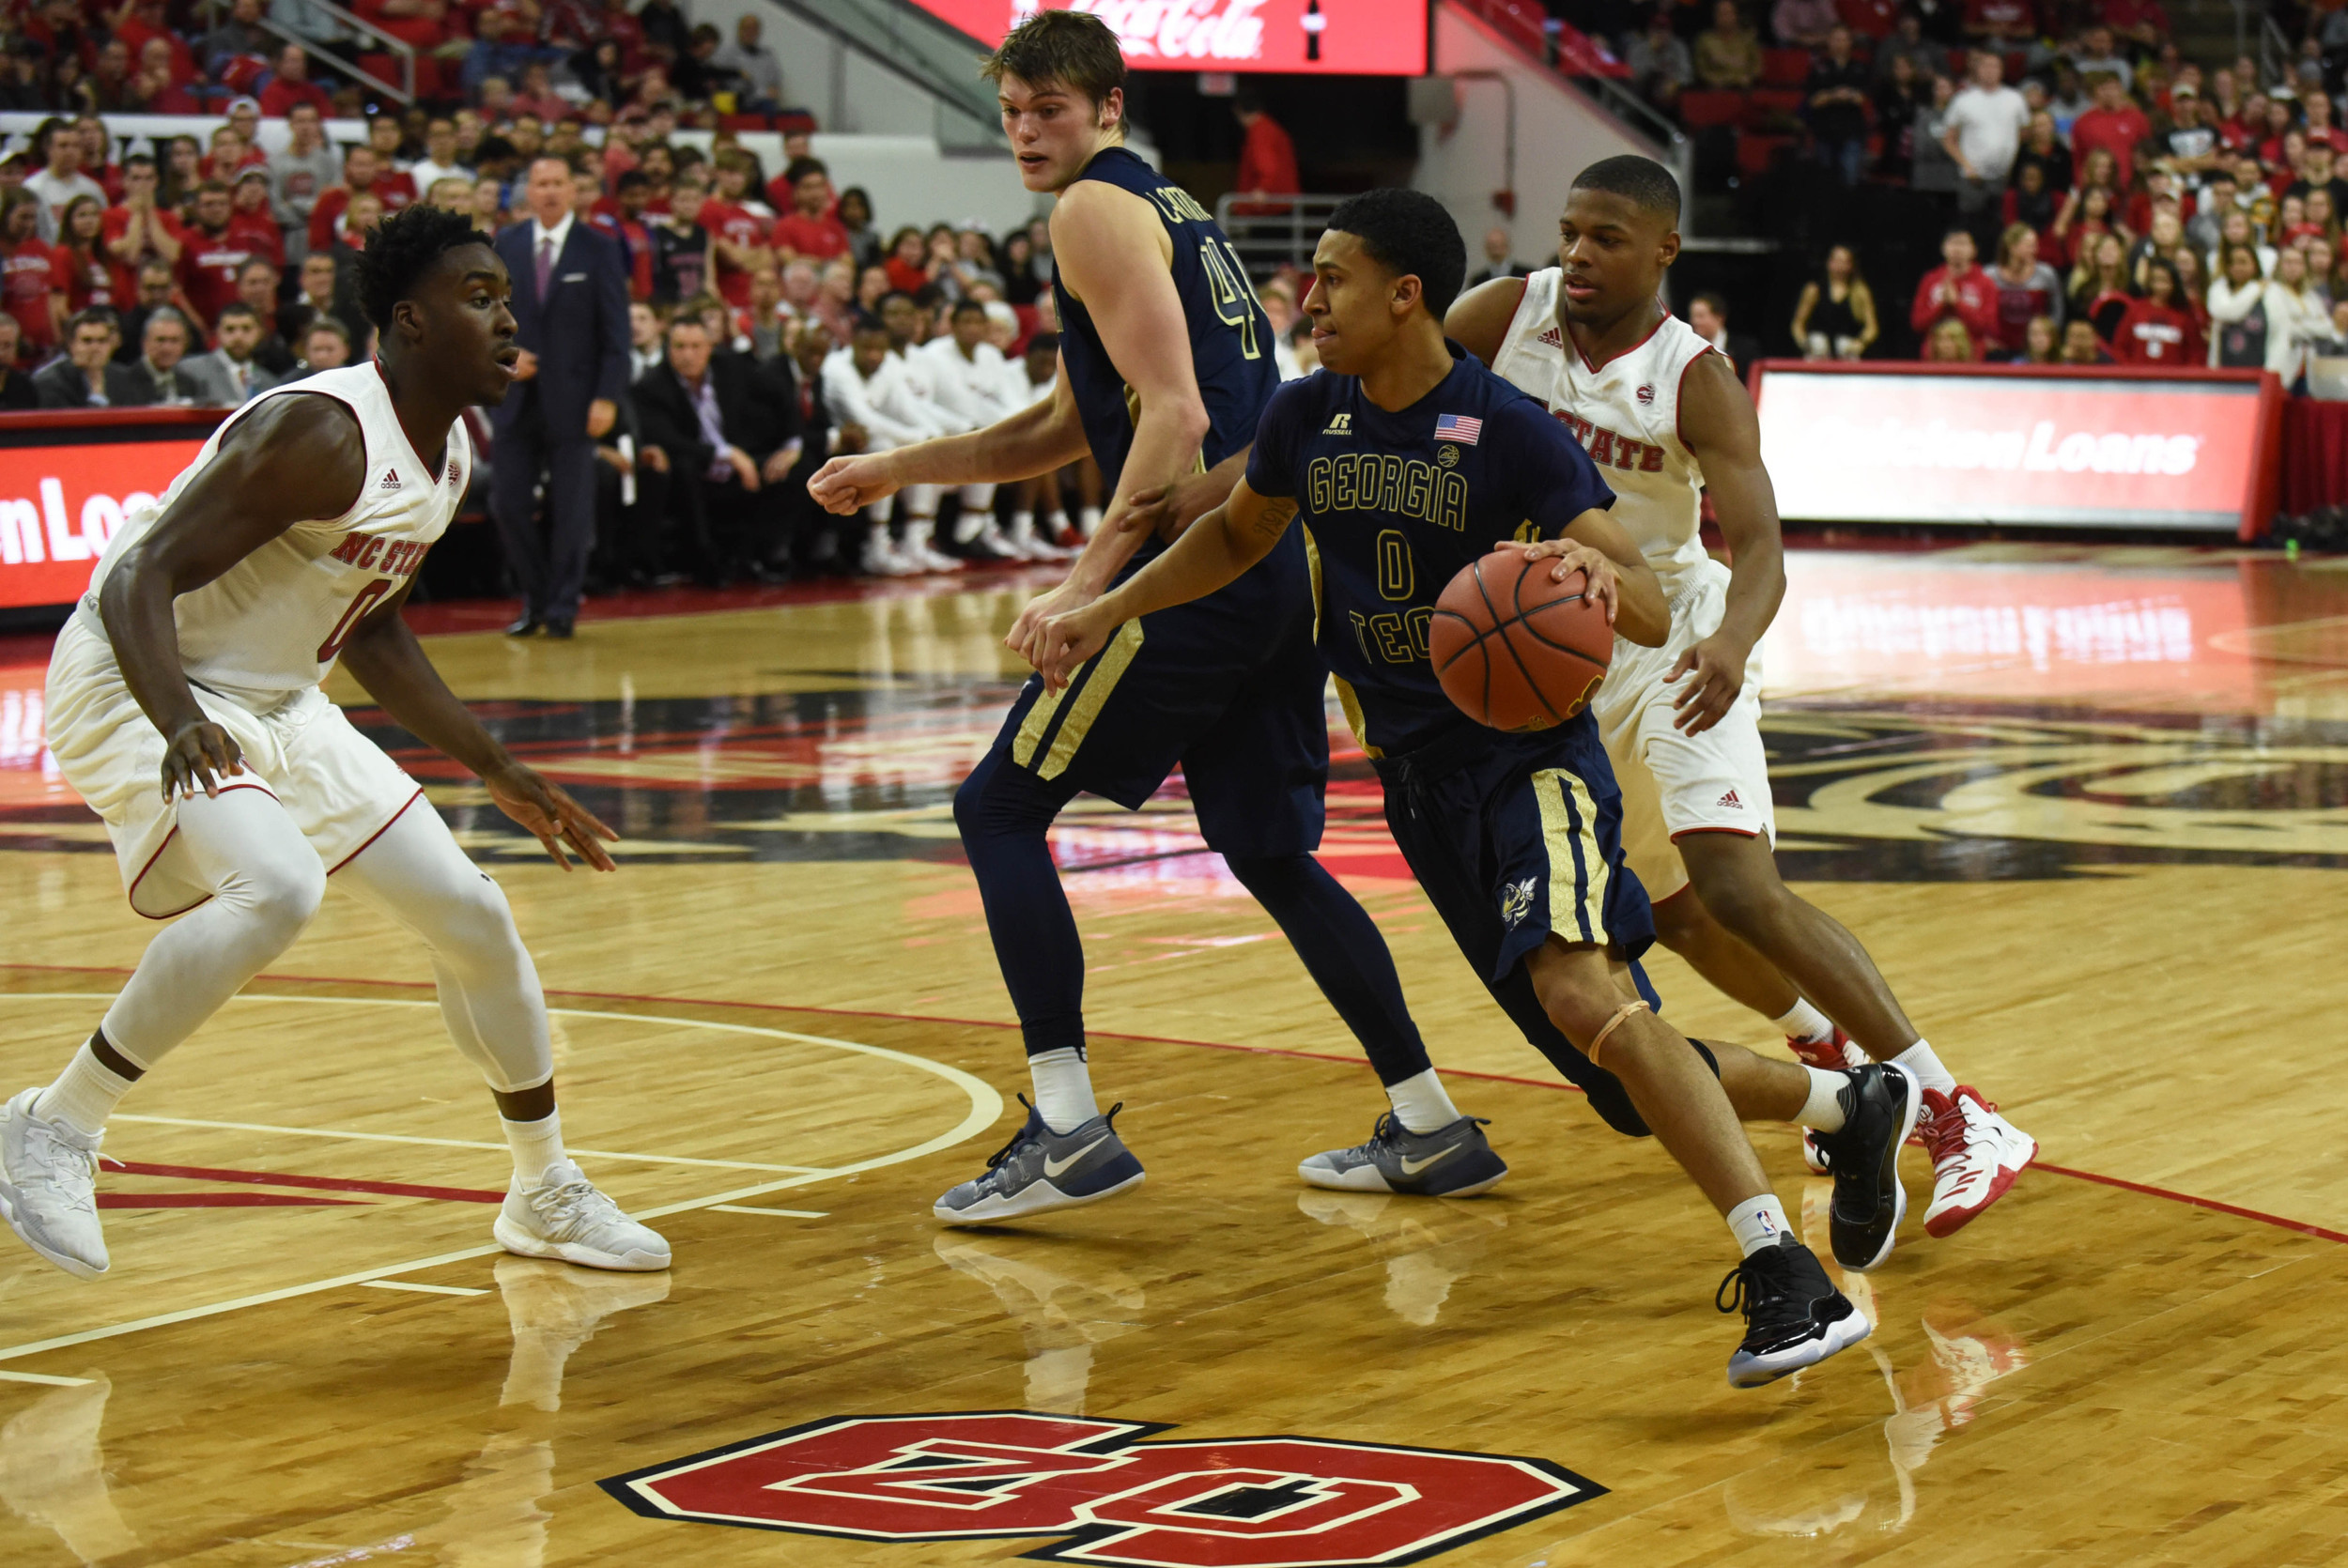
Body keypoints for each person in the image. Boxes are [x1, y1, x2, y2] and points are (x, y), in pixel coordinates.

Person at [1044, 187, 1907, 1387]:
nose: (1309, 297)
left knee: (1585, 998)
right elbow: (1238, 536)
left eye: (1332, 277)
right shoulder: (1307, 418)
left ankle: (1783, 1274)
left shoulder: (1507, 431)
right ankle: (1845, 1108)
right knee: (1617, 1077)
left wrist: (1587, 572)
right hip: (1417, 786)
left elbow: (1649, 600)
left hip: (1529, 765)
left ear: (1405, 295)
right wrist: (1103, 609)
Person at [811, 11, 1511, 1216]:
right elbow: (1068, 422)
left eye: (1051, 112)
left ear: (1109, 110)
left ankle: (1067, 1126)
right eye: (1014, 112)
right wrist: (900, 467)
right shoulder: (1166, 208)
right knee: (1268, 850)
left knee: (997, 806)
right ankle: (1428, 1118)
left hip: (1205, 565)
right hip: (1277, 557)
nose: (1028, 132)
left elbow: (1174, 418)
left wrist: (1089, 585)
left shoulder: (1090, 211)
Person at [4, 204, 668, 1286]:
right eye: (480, 298)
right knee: (276, 886)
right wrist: (182, 723)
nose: (508, 321)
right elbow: (138, 578)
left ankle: (543, 1188)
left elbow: (374, 624)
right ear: (408, 321)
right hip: (142, 674)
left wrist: (495, 766)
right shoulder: (319, 431)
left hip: (281, 696)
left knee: (474, 917)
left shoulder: (447, 452)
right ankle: (54, 1122)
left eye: (506, 297)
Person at [1447, 157, 2032, 1238]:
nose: (1577, 252)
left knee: (1737, 884)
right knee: (1663, 909)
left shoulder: (1693, 375)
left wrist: (1730, 639)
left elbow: (1762, 546)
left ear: (1664, 250)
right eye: (1570, 231)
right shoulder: (1501, 315)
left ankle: (1959, 1112)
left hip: (1668, 634)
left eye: (1607, 237)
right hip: (1553, 643)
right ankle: (1830, 1056)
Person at [490, 157, 631, 639]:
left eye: (557, 182)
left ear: (573, 190)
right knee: (508, 502)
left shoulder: (600, 248)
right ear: (527, 192)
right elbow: (484, 319)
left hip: (576, 400)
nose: (549, 191)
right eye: (540, 183)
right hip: (516, 398)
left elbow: (617, 333)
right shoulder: (503, 244)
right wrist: (505, 357)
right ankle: (535, 598)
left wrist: (607, 397)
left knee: (572, 509)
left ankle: (563, 606)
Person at [632, 313, 797, 583]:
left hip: (738, 462)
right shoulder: (652, 385)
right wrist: (728, 454)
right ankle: (705, 561)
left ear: (709, 347)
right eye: (679, 347)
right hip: (694, 469)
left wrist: (792, 445)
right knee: (683, 467)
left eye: (696, 346)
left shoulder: (731, 366)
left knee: (796, 468)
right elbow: (668, 439)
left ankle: (762, 556)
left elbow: (780, 392)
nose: (688, 355)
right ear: (667, 348)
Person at [1942, 51, 2029, 248]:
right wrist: (1967, 166)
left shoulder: (2015, 99)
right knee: (1970, 229)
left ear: (2002, 70)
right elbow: (1949, 139)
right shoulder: (1963, 100)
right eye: (1985, 66)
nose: (1990, 71)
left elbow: (2024, 134)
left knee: (2001, 229)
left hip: (2004, 177)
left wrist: (2012, 162)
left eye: (1994, 67)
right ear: (1977, 70)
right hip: (1972, 179)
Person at [1909, 227, 2000, 355]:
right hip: (1934, 357)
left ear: (1974, 250)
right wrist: (1942, 306)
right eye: (1952, 243)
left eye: (1962, 243)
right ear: (1943, 249)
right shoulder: (1930, 280)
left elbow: (1989, 327)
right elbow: (1918, 324)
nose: (1957, 249)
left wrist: (1958, 303)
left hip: (1973, 357)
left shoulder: (1985, 283)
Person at [34, 308, 145, 406]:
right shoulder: (49, 382)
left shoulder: (124, 377)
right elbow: (73, 427)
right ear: (71, 345)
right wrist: (96, 389)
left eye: (102, 341)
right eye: (87, 341)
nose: (95, 348)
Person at [1805, 25, 1872, 186]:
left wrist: (1835, 96)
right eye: (1836, 39)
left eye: (1843, 39)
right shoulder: (1818, 69)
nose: (1840, 44)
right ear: (1828, 42)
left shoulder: (1861, 68)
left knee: (1849, 180)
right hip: (1824, 132)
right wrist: (1835, 95)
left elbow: (1862, 98)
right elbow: (1814, 101)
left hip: (1852, 132)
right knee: (1824, 182)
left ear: (1850, 42)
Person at [184, 300, 283, 405]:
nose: (238, 337)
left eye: (246, 329)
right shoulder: (191, 371)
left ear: (259, 333)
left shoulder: (271, 383)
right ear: (217, 332)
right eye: (230, 329)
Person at [1790, 242, 1877, 358]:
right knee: (1818, 342)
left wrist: (1860, 343)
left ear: (1851, 266)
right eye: (1836, 261)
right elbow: (1798, 324)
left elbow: (1872, 327)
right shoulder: (1814, 290)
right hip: (1818, 352)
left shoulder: (1860, 292)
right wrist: (1805, 343)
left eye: (1844, 262)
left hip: (1847, 351)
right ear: (1828, 263)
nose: (1839, 266)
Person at [1988, 223, 2063, 355]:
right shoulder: (1990, 276)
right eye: (2029, 246)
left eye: (2035, 245)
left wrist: (2048, 337)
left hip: (2036, 349)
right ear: (2012, 247)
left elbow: (2057, 310)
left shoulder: (2046, 274)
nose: (2034, 250)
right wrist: (1986, 338)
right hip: (1998, 348)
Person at [2263, 243, 2330, 388]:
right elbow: (2285, 328)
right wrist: (2313, 325)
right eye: (2288, 262)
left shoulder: (2310, 296)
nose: (2293, 267)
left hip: (2309, 366)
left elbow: (2327, 327)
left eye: (2298, 262)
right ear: (2279, 265)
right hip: (2283, 365)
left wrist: (2299, 323)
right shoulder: (2272, 291)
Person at [2111, 256, 2197, 363]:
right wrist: (2130, 372)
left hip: (2173, 378)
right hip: (2137, 376)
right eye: (2156, 280)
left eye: (2165, 281)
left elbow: (2195, 352)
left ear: (2174, 283)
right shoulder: (2135, 309)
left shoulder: (2184, 313)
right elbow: (2120, 347)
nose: (2160, 286)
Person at [1232, 91, 1299, 203]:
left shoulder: (1260, 131)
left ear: (1239, 111)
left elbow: (1267, 166)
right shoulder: (1270, 128)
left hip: (1268, 206)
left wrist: (1263, 189)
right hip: (1279, 203)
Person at [129, 305, 204, 403]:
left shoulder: (188, 383)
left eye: (174, 341)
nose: (167, 348)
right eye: (160, 340)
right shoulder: (126, 381)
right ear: (145, 343)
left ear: (185, 344)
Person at [1687, 291, 1759, 376]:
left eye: (1700, 316)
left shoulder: (1745, 349)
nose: (1695, 321)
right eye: (1693, 316)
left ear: (1719, 318)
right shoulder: (1690, 350)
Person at [1694, 0, 1763, 88]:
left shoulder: (1748, 40)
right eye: (1721, 14)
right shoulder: (1704, 41)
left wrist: (1747, 78)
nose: (1725, 18)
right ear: (1715, 16)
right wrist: (1720, 80)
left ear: (1736, 15)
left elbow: (1756, 67)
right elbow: (1701, 70)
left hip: (1744, 90)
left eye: (1729, 13)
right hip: (1715, 91)